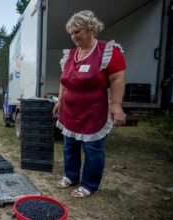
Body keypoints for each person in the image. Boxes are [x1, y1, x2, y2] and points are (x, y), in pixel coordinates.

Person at [53, 10, 126, 198]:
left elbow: (118, 78)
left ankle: (89, 184)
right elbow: (64, 81)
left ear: (92, 29)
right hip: (70, 110)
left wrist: (116, 105)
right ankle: (71, 176)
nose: (73, 36)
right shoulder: (69, 55)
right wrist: (60, 101)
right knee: (70, 146)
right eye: (71, 33)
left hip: (94, 110)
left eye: (77, 31)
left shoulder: (108, 51)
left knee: (93, 149)